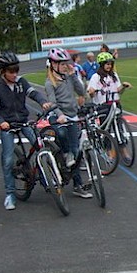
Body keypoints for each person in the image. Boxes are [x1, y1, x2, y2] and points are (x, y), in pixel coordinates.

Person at [0, 52, 50, 211]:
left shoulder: (21, 82)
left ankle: (45, 177)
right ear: (2, 71)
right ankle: (10, 194)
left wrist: (43, 102)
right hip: (7, 125)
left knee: (40, 147)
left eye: (16, 70)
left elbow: (33, 93)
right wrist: (1, 122)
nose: (15, 74)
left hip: (23, 121)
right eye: (11, 71)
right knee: (8, 159)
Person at [45, 48, 92, 199]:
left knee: (76, 151)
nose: (66, 66)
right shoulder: (49, 83)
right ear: (53, 65)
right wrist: (60, 115)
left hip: (71, 115)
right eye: (62, 64)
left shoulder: (68, 77)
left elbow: (81, 91)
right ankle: (65, 154)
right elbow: (52, 103)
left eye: (66, 63)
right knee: (61, 132)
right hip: (58, 116)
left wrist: (73, 76)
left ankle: (78, 185)